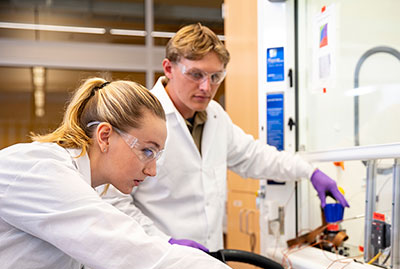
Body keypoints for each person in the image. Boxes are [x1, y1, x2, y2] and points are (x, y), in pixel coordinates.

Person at [0, 77, 355, 269]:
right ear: (105, 136)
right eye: (147, 151)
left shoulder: (90, 192)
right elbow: (138, 260)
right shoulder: (40, 170)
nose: (152, 169)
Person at [102, 23, 349, 252]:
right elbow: (114, 203)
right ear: (169, 68)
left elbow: (255, 157)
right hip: (158, 261)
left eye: (215, 77)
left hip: (209, 260)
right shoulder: (136, 118)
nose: (206, 88)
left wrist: (309, 172)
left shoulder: (215, 116)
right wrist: (163, 242)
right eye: (196, 75)